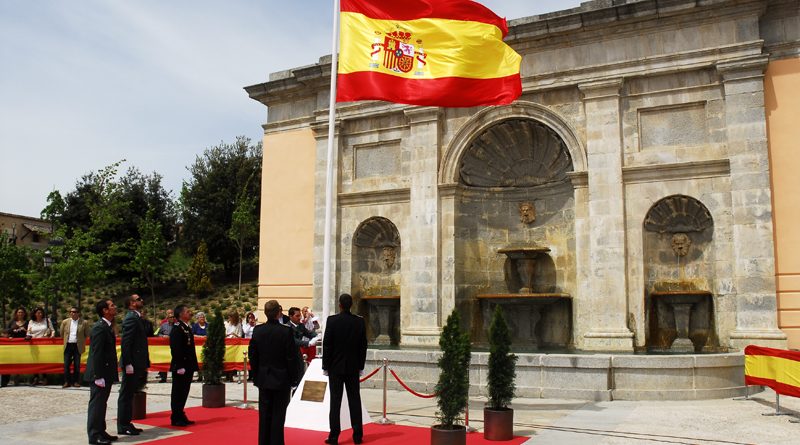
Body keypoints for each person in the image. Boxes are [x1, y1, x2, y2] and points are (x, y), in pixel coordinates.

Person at [248, 300, 301, 445]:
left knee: (264, 415)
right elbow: (291, 357)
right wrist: (293, 378)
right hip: (281, 378)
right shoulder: (286, 331)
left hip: (264, 378)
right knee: (278, 416)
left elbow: (253, 355)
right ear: (279, 313)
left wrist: (256, 375)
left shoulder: (258, 330)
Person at [323, 293, 367, 445]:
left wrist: (325, 366)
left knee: (335, 402)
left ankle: (334, 436)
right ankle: (357, 436)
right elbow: (363, 346)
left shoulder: (332, 321)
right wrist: (361, 366)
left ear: (340, 305)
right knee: (354, 400)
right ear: (351, 305)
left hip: (335, 367)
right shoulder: (359, 322)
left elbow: (327, 345)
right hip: (353, 367)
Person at [85, 299, 119, 445]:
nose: (115, 307)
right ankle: (94, 434)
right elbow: (96, 353)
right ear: (105, 310)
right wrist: (98, 375)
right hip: (99, 373)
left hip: (105, 372)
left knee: (102, 403)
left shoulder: (107, 326)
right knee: (97, 404)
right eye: (112, 306)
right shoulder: (100, 327)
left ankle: (101, 430)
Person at [117, 294, 150, 436]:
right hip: (132, 362)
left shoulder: (137, 317)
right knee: (126, 394)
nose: (142, 300)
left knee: (130, 394)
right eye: (138, 299)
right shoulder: (131, 318)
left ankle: (126, 422)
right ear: (131, 303)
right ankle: (123, 424)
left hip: (137, 362)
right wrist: (128, 362)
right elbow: (126, 342)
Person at [169, 304, 199, 427]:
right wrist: (179, 365)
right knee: (178, 391)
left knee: (184, 391)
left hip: (188, 365)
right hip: (181, 365)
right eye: (187, 311)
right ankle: (175, 416)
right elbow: (176, 348)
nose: (190, 313)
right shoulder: (177, 328)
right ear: (181, 314)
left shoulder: (186, 327)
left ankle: (181, 413)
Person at [60, 307, 91, 388]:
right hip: (68, 345)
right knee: (66, 364)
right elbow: (61, 333)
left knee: (77, 365)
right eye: (72, 312)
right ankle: (67, 381)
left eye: (75, 312)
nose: (73, 313)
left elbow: (87, 334)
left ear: (78, 313)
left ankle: (76, 381)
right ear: (70, 313)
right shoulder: (65, 322)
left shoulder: (84, 322)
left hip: (78, 346)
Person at [27, 306, 55, 385]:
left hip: (44, 343)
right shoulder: (31, 322)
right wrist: (28, 336)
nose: (40, 314)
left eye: (41, 312)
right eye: (38, 312)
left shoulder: (47, 320)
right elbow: (28, 332)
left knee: (44, 360)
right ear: (35, 314)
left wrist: (52, 336)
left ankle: (44, 377)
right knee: (35, 360)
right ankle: (36, 377)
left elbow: (52, 330)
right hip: (34, 344)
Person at [3, 307, 28, 386]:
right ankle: (5, 380)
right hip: (12, 346)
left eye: (22, 312)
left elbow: (31, 332)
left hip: (23, 346)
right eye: (19, 312)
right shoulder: (12, 322)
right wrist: (12, 331)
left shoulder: (27, 323)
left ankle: (17, 378)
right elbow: (6, 331)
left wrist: (25, 330)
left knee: (20, 362)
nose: (20, 314)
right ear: (16, 313)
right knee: (9, 362)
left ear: (24, 314)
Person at [157, 309, 176, 383]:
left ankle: (175, 376)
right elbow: (158, 334)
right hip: (164, 347)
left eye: (173, 317)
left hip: (174, 346)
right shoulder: (163, 325)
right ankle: (163, 378)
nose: (172, 318)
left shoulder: (177, 325)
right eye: (170, 317)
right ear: (167, 318)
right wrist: (163, 336)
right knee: (163, 361)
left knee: (174, 361)